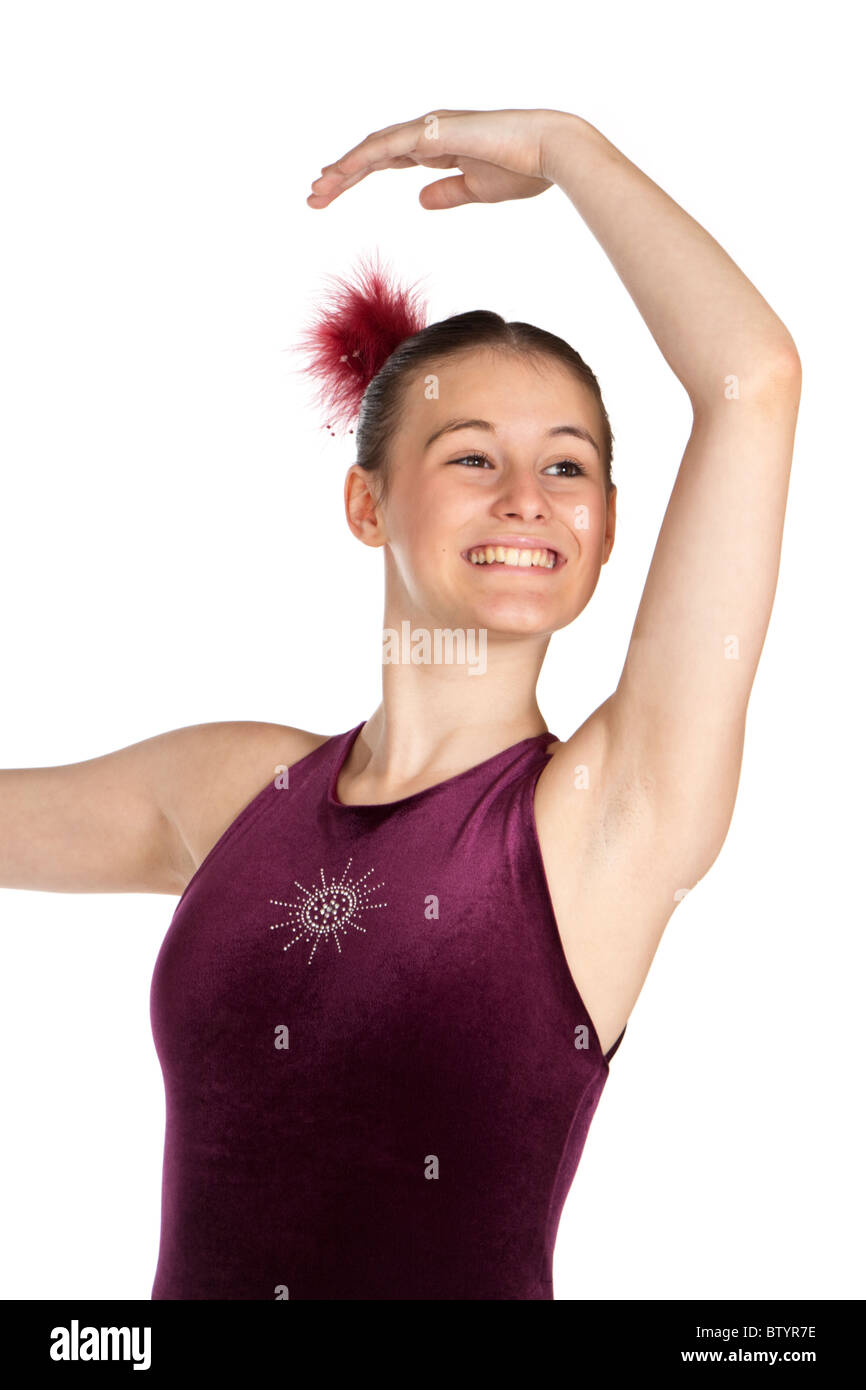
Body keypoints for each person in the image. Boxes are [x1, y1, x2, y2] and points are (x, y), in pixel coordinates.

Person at [0, 107, 801, 1300]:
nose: (528, 496)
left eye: (568, 465)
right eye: (472, 455)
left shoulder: (602, 824)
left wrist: (561, 148)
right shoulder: (236, 792)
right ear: (367, 504)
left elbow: (753, 381)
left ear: (608, 527)